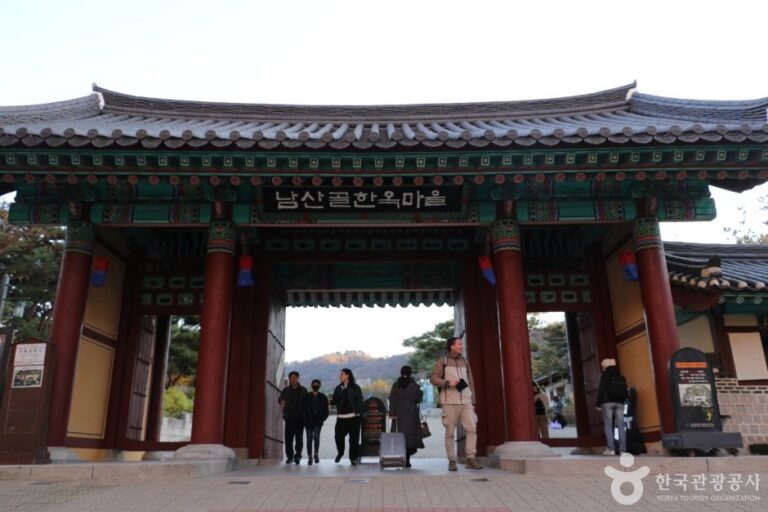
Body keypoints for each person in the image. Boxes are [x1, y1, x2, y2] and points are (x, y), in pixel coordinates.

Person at [430, 336, 482, 471]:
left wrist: (473, 401)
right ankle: (451, 461)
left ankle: (470, 458)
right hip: (449, 402)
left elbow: (471, 382)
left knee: (472, 428)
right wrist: (447, 383)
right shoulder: (443, 361)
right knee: (449, 433)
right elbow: (433, 378)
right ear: (452, 346)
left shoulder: (465, 361)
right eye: (459, 344)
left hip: (466, 401)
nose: (461, 346)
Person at [388, 365, 424, 468]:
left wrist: (392, 414)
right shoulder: (414, 385)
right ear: (410, 373)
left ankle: (400, 458)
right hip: (411, 414)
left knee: (399, 436)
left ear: (401, 373)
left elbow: (392, 399)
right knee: (410, 437)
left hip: (399, 414)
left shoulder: (396, 384)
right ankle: (407, 460)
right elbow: (418, 399)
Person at [330, 368, 364, 465]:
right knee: (338, 437)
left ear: (348, 375)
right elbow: (335, 401)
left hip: (354, 417)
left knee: (354, 439)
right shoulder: (338, 388)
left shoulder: (355, 388)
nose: (340, 376)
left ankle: (353, 458)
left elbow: (360, 401)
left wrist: (360, 414)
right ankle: (340, 452)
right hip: (341, 418)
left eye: (342, 374)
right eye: (340, 374)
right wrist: (331, 401)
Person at [596, 358, 628, 455]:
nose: (602, 369)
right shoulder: (621, 377)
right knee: (621, 425)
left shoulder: (605, 375)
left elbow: (601, 389)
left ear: (605, 367)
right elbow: (625, 391)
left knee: (608, 425)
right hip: (620, 403)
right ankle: (623, 450)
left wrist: (598, 403)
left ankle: (611, 449)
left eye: (603, 367)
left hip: (607, 403)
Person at [278, 370, 307, 464]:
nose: (293, 380)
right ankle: (290, 457)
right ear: (289, 379)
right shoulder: (286, 390)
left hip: (300, 419)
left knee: (299, 438)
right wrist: (281, 412)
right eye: (291, 378)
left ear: (298, 378)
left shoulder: (303, 390)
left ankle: (298, 456)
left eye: (295, 378)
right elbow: (282, 401)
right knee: (288, 439)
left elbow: (307, 403)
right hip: (289, 418)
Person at [302, 378, 329, 465]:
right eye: (314, 384)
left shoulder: (323, 396)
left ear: (319, 386)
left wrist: (323, 418)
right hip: (308, 421)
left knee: (316, 438)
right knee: (309, 439)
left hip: (318, 421)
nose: (315, 385)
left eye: (317, 384)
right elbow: (302, 408)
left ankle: (316, 454)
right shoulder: (306, 396)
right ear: (311, 385)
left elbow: (326, 410)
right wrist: (304, 418)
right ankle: (310, 456)